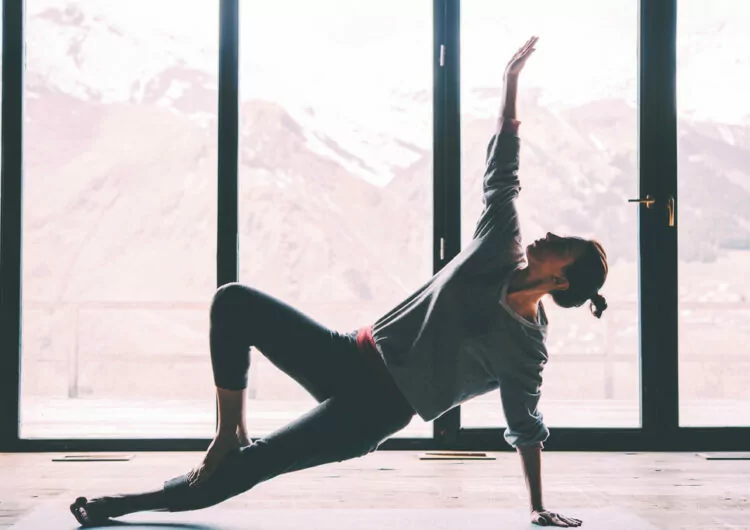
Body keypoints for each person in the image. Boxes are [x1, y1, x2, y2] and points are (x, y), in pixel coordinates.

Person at [71, 36, 603, 528]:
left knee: (254, 467)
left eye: (561, 246)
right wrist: (510, 82)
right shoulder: (499, 244)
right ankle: (229, 429)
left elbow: (524, 426)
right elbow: (502, 172)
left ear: (560, 281)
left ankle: (124, 505)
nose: (549, 236)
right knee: (232, 303)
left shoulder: (525, 348)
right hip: (349, 353)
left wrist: (537, 506)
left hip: (376, 409)